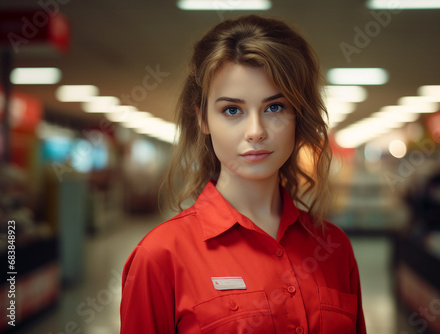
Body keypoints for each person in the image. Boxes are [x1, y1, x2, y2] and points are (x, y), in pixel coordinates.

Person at [120, 15, 366, 334]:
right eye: (232, 110)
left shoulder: (334, 247)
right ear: (203, 120)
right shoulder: (161, 256)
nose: (256, 132)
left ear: (297, 116)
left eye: (275, 107)